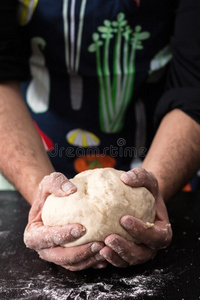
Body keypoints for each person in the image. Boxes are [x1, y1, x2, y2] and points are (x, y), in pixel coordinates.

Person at [0, 0, 200, 271]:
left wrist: (152, 196)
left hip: (161, 154)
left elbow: (194, 88)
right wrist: (40, 192)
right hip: (34, 151)